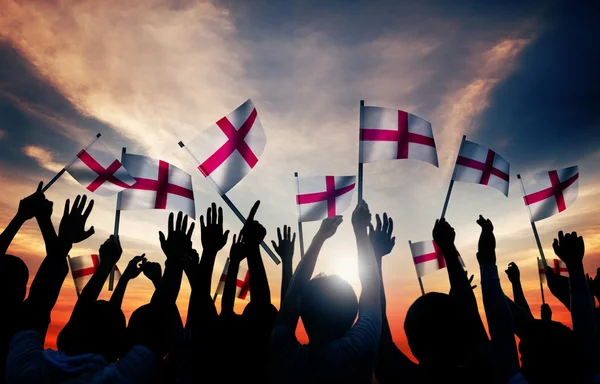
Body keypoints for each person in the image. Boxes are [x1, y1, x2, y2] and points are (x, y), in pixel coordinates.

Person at [271, 200, 381, 384]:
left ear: (303, 313)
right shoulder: (361, 349)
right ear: (353, 313)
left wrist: (319, 238)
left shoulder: (283, 354)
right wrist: (360, 231)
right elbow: (371, 287)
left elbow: (292, 296)